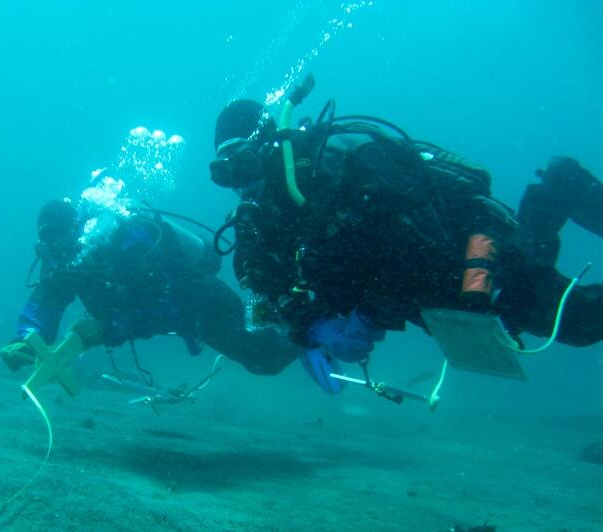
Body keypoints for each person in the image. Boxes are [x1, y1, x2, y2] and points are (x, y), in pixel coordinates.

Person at [208, 92, 603, 391]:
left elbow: (414, 247)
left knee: (577, 322)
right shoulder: (263, 215)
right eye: (223, 173)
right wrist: (309, 331)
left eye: (243, 163)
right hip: (421, 294)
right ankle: (551, 196)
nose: (239, 183)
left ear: (271, 146)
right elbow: (257, 284)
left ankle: (557, 188)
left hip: (471, 252)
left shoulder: (343, 164)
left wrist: (368, 316)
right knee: (526, 309)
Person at [1, 181, 302, 379]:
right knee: (263, 349)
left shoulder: (126, 241)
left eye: (63, 241)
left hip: (202, 303)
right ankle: (292, 322)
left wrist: (108, 328)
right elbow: (46, 301)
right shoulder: (64, 261)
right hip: (163, 309)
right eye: (49, 243)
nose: (60, 252)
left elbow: (169, 306)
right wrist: (26, 338)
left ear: (79, 230)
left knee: (265, 359)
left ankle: (307, 333)